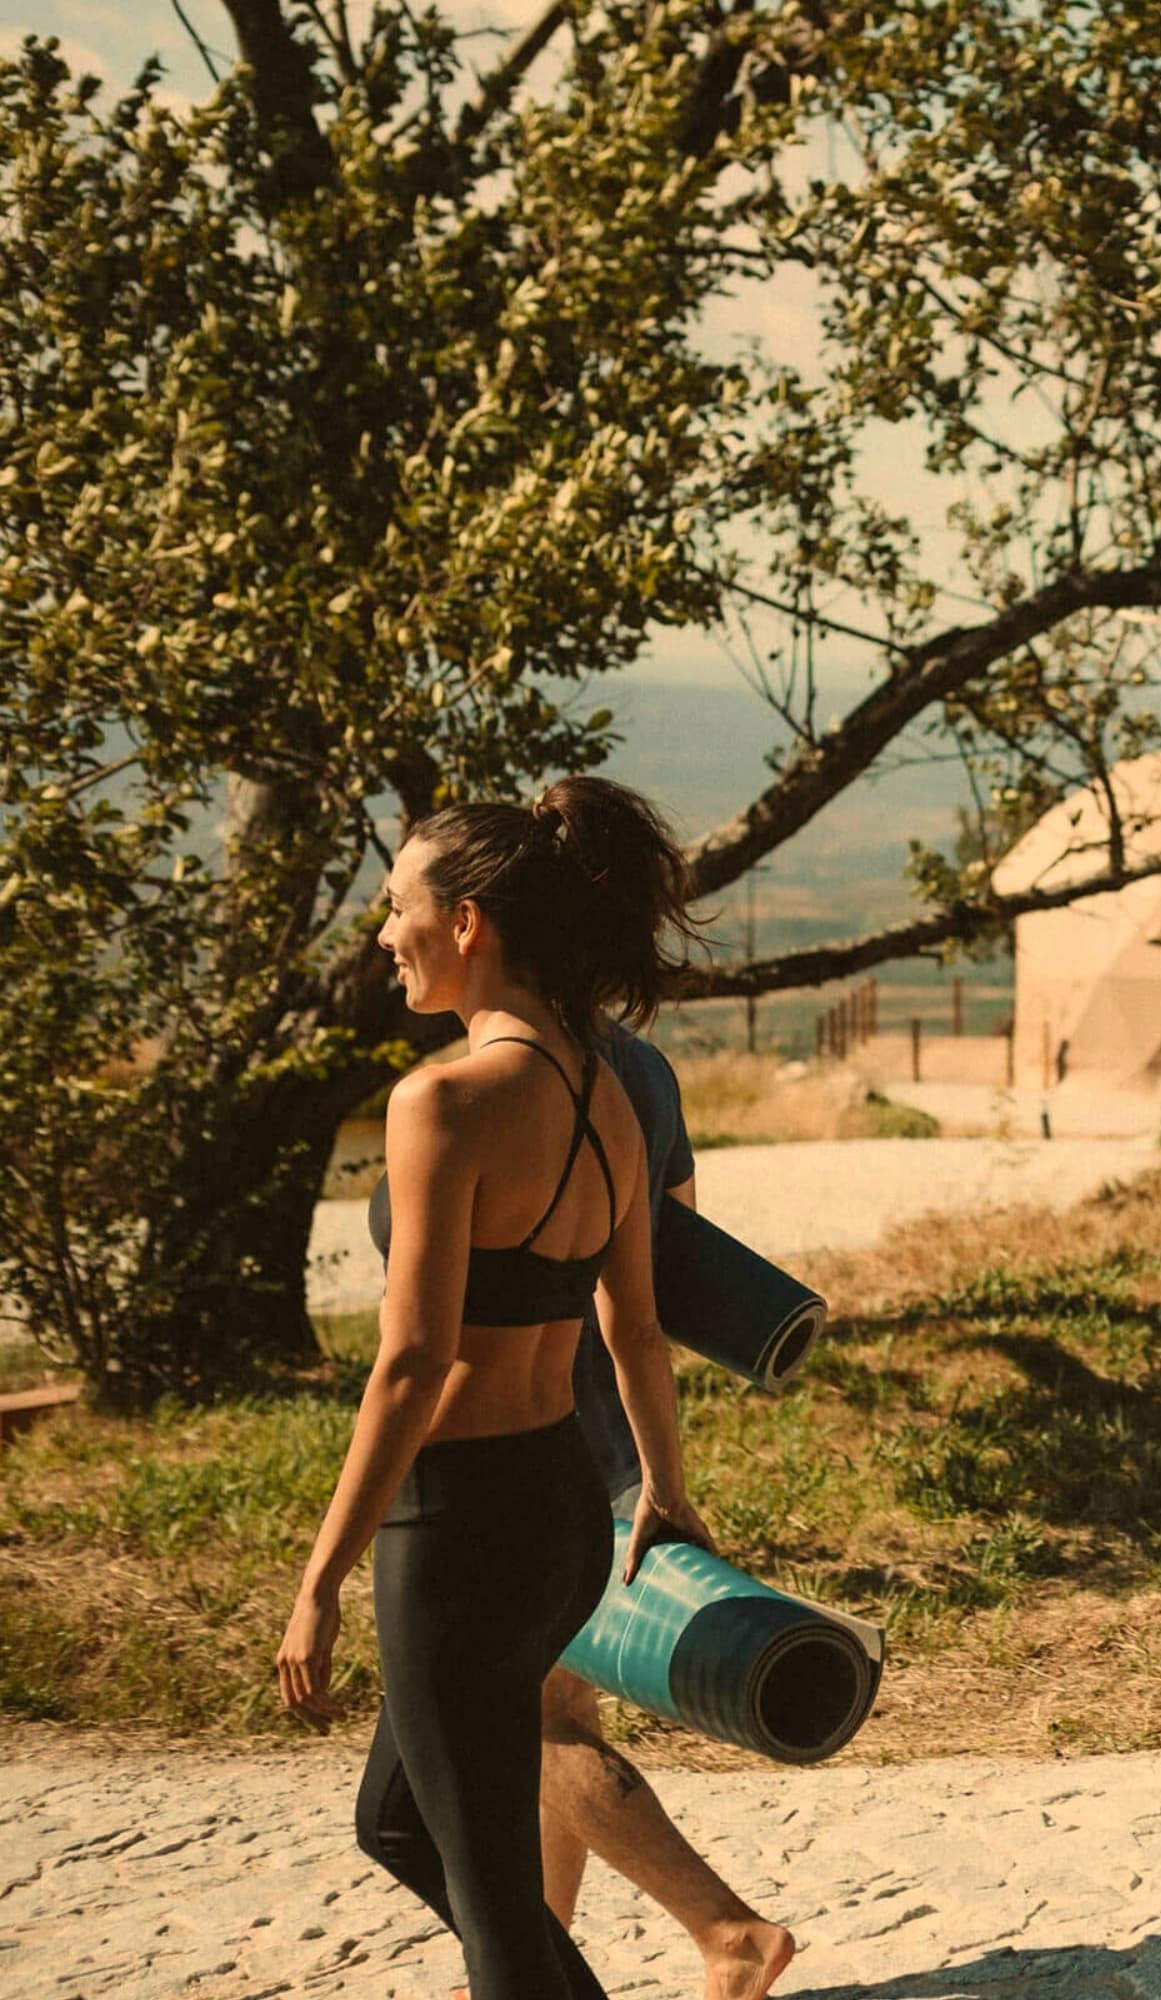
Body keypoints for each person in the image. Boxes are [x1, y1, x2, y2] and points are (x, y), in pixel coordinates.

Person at [278, 777, 714, 2000]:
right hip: (564, 1512)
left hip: (457, 1529)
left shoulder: (446, 1102)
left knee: (488, 1900)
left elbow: (410, 1363)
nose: (383, 932)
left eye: (395, 903)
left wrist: (317, 1584)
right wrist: (661, 1489)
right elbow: (632, 1320)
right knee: (404, 1824)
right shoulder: (608, 1095)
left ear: (466, 922)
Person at [529, 1024, 796, 2000]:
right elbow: (673, 1252)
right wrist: (656, 1466)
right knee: (560, 1702)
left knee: (531, 1719)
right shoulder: (641, 1062)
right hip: (613, 1425)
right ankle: (539, 1960)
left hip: (529, 1431)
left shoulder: (524, 1063)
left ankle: (728, 1930)